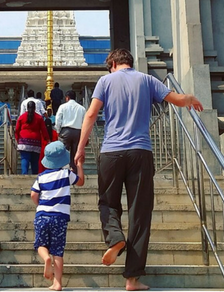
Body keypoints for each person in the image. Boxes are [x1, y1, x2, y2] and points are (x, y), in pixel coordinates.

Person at [75, 48, 203, 291]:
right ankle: (132, 279)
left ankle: (115, 238)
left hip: (111, 152)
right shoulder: (147, 80)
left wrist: (80, 148)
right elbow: (176, 99)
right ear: (130, 62)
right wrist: (191, 98)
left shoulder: (105, 81)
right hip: (140, 152)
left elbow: (91, 114)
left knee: (107, 202)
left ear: (113, 63)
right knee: (140, 214)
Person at [31, 141, 85, 291]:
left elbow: (33, 194)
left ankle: (45, 258)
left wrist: (40, 205)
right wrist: (79, 165)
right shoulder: (66, 174)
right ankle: (57, 283)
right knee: (58, 251)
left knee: (40, 245)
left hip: (42, 215)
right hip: (60, 217)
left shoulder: (41, 177)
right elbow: (80, 182)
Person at [54, 90, 86, 171]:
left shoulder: (63, 106)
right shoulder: (81, 108)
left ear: (67, 98)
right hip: (78, 132)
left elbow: (58, 119)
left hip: (66, 131)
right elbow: (84, 122)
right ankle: (74, 171)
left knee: (63, 152)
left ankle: (63, 171)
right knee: (75, 153)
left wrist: (58, 130)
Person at [15, 101, 48, 174]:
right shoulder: (39, 118)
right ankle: (35, 177)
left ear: (26, 108)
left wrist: (17, 139)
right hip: (36, 142)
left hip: (23, 141)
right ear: (35, 108)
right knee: (35, 161)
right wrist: (47, 138)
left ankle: (24, 175)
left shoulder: (22, 117)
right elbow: (43, 130)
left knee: (24, 159)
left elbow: (17, 129)